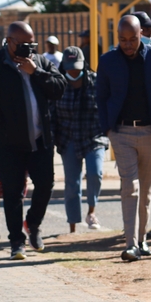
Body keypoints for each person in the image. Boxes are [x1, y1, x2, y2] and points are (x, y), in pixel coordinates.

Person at [0, 21, 67, 259]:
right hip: (8, 144)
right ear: (9, 42)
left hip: (40, 141)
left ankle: (33, 224)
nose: (29, 48)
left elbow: (60, 88)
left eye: (32, 44)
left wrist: (35, 72)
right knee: (12, 193)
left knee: (46, 184)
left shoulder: (40, 62)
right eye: (24, 44)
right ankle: (16, 241)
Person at [96, 15, 151, 261]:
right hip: (121, 133)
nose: (128, 44)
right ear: (116, 37)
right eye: (122, 40)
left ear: (142, 34)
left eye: (132, 39)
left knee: (146, 189)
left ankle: (142, 239)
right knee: (129, 187)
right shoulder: (108, 61)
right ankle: (130, 244)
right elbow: (100, 96)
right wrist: (108, 128)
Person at [51, 46, 108, 233]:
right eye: (69, 68)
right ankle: (73, 227)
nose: (73, 72)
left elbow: (106, 107)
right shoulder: (58, 85)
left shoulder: (95, 82)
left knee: (95, 172)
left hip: (93, 136)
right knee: (72, 183)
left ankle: (92, 211)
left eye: (77, 67)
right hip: (68, 138)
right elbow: (52, 115)